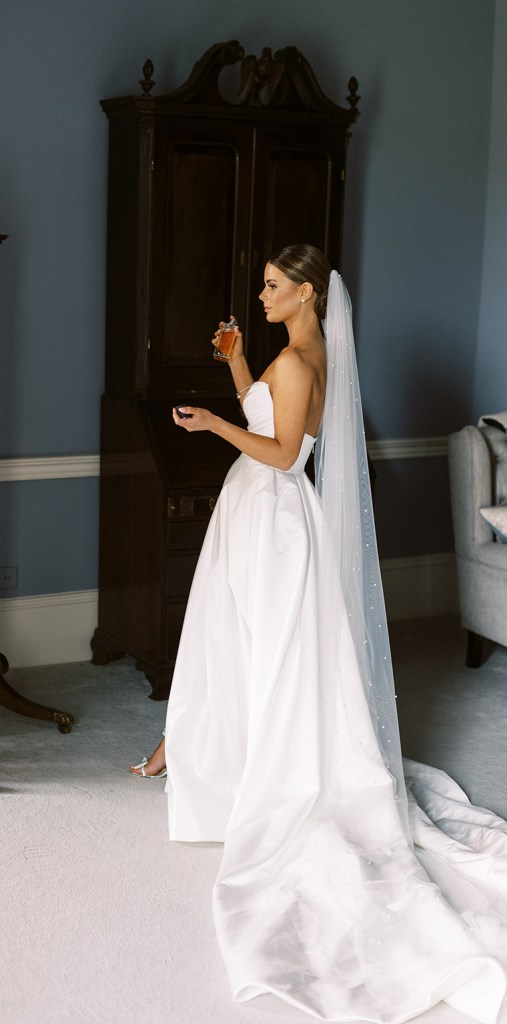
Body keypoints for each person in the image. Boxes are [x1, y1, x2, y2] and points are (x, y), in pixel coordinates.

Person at [130, 244, 507, 1023]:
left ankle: (242, 763)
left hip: (270, 514)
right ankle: (196, 744)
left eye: (272, 287)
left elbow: (277, 453)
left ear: (305, 292)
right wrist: (237, 369)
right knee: (236, 637)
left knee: (267, 647)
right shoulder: (296, 351)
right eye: (262, 286)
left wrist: (209, 425)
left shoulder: (301, 361)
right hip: (256, 512)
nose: (259, 296)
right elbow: (269, 416)